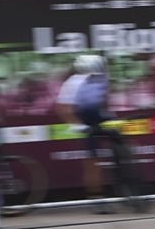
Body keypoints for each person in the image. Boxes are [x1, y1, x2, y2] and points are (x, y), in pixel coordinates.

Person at [56, 53, 145, 213]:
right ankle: (97, 200)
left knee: (124, 140)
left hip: (101, 116)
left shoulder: (103, 77)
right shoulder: (72, 83)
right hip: (84, 120)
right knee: (92, 162)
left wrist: (113, 121)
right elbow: (64, 109)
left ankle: (128, 173)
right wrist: (79, 126)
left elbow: (104, 101)